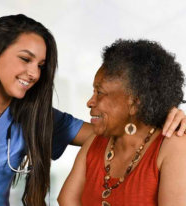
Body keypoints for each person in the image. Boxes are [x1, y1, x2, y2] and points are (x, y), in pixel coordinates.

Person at [0, 15, 185, 206]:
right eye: (25, 59)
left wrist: (166, 115)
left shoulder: (34, 114)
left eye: (41, 66)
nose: (34, 74)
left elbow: (120, 134)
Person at [58, 39, 186, 206]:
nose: (90, 101)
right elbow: (66, 200)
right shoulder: (96, 141)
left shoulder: (174, 145)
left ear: (134, 103)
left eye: (100, 92)